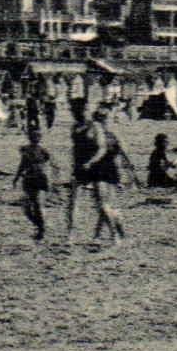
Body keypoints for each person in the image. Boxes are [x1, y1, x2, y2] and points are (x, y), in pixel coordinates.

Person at [66, 104, 126, 246]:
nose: (103, 119)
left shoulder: (105, 132)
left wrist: (123, 174)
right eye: (100, 117)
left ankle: (112, 234)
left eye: (105, 117)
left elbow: (113, 153)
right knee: (74, 203)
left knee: (104, 205)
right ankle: (71, 236)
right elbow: (75, 149)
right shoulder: (77, 127)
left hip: (100, 168)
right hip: (86, 166)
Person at [14, 126, 57, 240]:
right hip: (29, 178)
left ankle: (41, 230)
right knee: (27, 208)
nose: (35, 139)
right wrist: (17, 177)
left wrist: (51, 181)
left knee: (37, 205)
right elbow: (22, 163)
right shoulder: (25, 149)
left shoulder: (43, 150)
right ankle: (40, 227)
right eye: (33, 136)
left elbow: (51, 166)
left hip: (40, 178)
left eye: (37, 137)